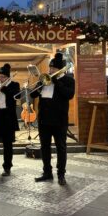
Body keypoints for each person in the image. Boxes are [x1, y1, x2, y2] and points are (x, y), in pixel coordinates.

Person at [30, 53, 75, 186]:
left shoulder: (68, 80)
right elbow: (33, 94)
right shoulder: (45, 80)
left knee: (61, 147)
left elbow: (69, 94)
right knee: (45, 147)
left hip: (59, 119)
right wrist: (38, 86)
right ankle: (47, 172)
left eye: (53, 69)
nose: (50, 71)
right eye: (50, 68)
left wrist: (56, 82)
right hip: (44, 119)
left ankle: (61, 174)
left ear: (59, 69)